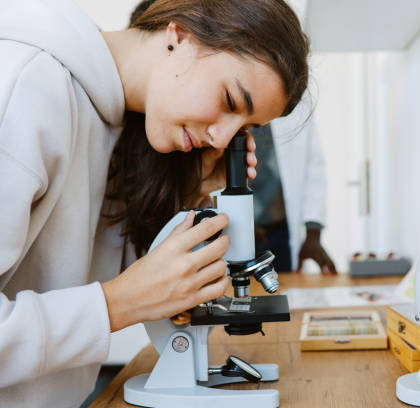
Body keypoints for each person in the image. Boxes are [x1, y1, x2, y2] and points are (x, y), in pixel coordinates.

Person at [0, 0, 309, 407]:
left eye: (244, 130)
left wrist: (195, 192)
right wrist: (119, 303)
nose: (221, 138)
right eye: (231, 101)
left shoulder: (118, 120)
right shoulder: (24, 84)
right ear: (178, 36)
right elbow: (114, 296)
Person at [250, 104, 337, 274]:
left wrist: (313, 234)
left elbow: (314, 170)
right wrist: (238, 223)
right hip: (234, 233)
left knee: (283, 295)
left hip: (281, 234)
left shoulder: (299, 104)